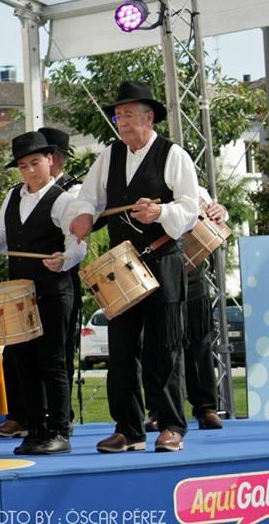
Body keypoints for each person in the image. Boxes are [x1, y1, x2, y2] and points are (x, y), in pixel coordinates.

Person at [65, 81, 199, 453]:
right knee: (121, 351)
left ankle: (171, 425)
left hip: (163, 260)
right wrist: (84, 217)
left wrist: (161, 212)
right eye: (118, 115)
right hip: (122, 265)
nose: (121, 122)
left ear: (149, 117)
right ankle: (129, 429)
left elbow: (191, 208)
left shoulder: (174, 155)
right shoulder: (109, 156)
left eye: (128, 115)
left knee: (166, 349)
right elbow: (87, 198)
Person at [0, 131, 86, 454]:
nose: (30, 171)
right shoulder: (14, 196)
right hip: (19, 295)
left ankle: (60, 430)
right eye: (23, 166)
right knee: (24, 362)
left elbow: (76, 243)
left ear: (50, 161)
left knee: (51, 363)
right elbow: (0, 234)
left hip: (53, 291)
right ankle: (35, 427)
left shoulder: (64, 200)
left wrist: (63, 259)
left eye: (35, 163)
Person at [145, 192, 228, 432]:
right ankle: (158, 409)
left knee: (199, 341)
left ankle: (206, 407)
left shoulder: (194, 187)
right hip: (159, 274)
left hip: (192, 274)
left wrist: (221, 212)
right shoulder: (148, 182)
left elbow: (215, 211)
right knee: (157, 344)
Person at [39, 126, 84, 430]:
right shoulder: (23, 193)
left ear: (51, 158)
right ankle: (31, 413)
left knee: (60, 350)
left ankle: (60, 413)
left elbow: (78, 237)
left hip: (62, 278)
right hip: (33, 280)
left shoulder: (73, 191)